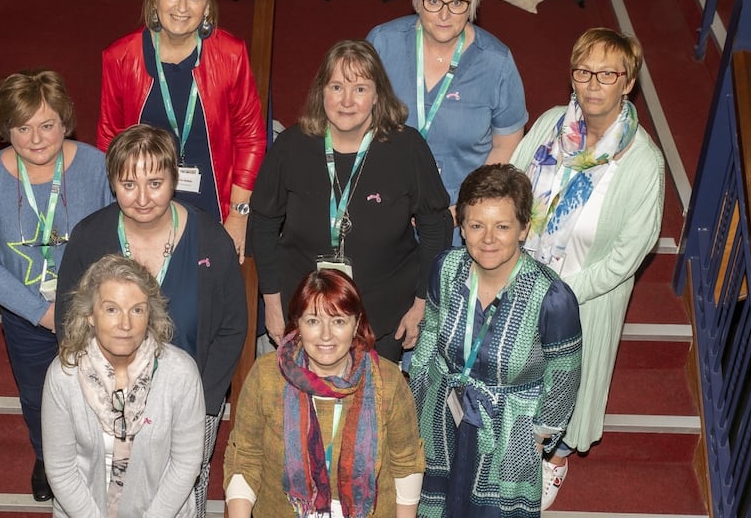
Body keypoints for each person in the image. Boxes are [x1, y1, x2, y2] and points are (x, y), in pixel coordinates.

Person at [55, 123, 246, 517]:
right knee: (106, 483)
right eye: (128, 184)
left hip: (191, 399)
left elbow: (231, 327)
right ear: (112, 183)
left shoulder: (211, 240)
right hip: (106, 397)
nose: (142, 198)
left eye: (155, 183)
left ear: (174, 179)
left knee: (183, 485)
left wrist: (205, 401)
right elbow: (69, 319)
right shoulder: (89, 238)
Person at [510, 27, 665, 509]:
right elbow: (513, 184)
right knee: (514, 382)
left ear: (628, 82)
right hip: (518, 280)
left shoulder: (643, 163)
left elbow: (624, 259)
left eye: (607, 73)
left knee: (560, 392)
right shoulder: (551, 124)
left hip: (583, 302)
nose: (593, 83)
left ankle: (552, 462)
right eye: (583, 71)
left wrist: (558, 294)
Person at [0, 69, 112, 502]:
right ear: (6, 130)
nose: (37, 138)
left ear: (66, 122)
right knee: (36, 394)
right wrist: (41, 313)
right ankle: (48, 458)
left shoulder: (97, 167)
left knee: (101, 386)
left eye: (47, 125)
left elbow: (117, 239)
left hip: (95, 313)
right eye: (22, 127)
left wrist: (92, 307)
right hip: (27, 316)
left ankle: (105, 455)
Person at [248, 39, 452, 362]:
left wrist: (421, 304)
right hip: (306, 315)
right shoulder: (291, 147)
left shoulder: (407, 148)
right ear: (321, 92)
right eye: (337, 87)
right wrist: (271, 305)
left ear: (377, 96)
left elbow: (435, 228)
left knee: (369, 411)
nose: (346, 100)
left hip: (383, 317)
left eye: (359, 89)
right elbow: (262, 224)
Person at [409, 163, 582, 518]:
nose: (488, 239)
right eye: (476, 225)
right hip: (442, 415)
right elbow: (429, 332)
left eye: (502, 226)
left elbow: (564, 378)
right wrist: (418, 399)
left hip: (509, 432)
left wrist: (537, 438)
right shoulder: (445, 268)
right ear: (462, 227)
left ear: (524, 229)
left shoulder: (552, 297)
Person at [97, 0, 266, 260]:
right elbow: (110, 140)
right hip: (145, 204)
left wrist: (239, 215)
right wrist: (127, 206)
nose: (183, 7)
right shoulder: (120, 58)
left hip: (214, 205)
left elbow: (251, 138)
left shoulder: (231, 54)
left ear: (208, 6)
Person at [224, 269, 425, 517]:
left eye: (338, 321)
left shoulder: (388, 381)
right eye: (313, 321)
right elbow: (245, 458)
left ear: (356, 324)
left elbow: (406, 464)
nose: (326, 335)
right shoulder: (266, 376)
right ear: (297, 323)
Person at [367, 0, 528, 242]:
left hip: (458, 210)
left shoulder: (497, 62)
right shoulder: (382, 44)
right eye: (433, 1)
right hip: (385, 199)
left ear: (473, 4)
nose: (444, 15)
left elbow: (506, 144)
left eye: (457, 3)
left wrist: (466, 206)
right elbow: (355, 119)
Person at [43, 254, 205, 517]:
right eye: (111, 309)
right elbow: (61, 470)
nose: (125, 324)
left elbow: (185, 464)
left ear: (149, 314)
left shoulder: (180, 373)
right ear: (90, 315)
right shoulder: (64, 375)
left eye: (137, 310)